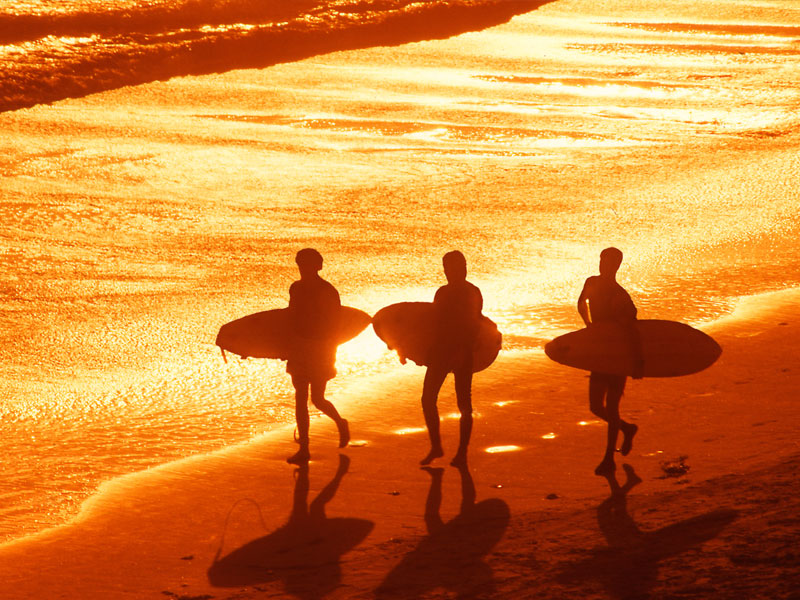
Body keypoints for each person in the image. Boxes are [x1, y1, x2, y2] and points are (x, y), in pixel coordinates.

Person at [577, 247, 643, 476]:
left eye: (608, 262)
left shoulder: (619, 295)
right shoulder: (592, 282)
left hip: (617, 356)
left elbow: (632, 330)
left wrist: (636, 362)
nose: (603, 265)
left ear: (616, 266)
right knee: (595, 406)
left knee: (612, 407)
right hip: (600, 354)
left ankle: (608, 459)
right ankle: (627, 428)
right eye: (601, 260)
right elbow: (581, 303)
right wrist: (588, 325)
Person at [285, 248, 349, 465]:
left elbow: (336, 325)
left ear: (319, 266)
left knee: (317, 399)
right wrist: (278, 348)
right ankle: (304, 448)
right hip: (300, 349)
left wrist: (330, 354)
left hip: (320, 350)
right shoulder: (296, 288)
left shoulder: (328, 291)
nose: (303, 269)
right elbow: (290, 318)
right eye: (300, 264)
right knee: (300, 398)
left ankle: (340, 423)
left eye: (308, 264)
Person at [420, 251, 483, 467]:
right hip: (440, 351)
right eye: (448, 267)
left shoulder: (471, 292)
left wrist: (463, 351)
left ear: (464, 267)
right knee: (427, 399)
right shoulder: (442, 292)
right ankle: (436, 446)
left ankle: (462, 452)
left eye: (458, 266)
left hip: (462, 352)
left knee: (464, 404)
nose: (452, 271)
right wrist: (418, 352)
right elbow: (433, 324)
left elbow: (475, 324)